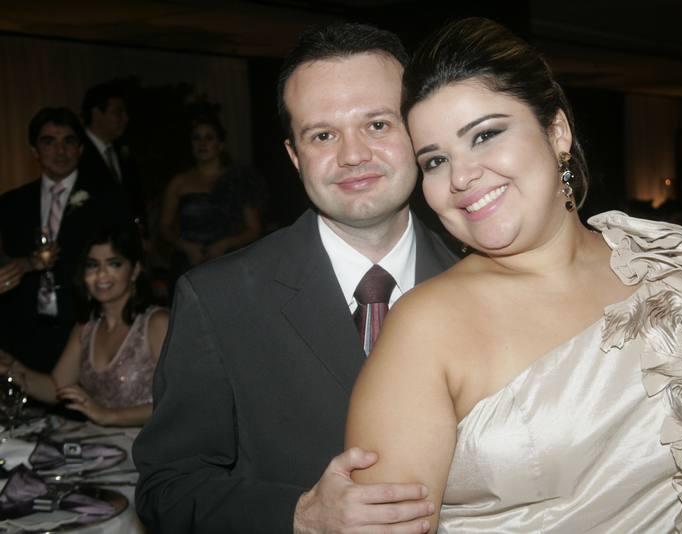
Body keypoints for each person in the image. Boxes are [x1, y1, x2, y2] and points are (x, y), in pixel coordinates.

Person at [346, 18, 682, 532]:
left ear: (557, 132)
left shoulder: (669, 271)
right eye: (434, 161)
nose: (461, 176)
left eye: (486, 135)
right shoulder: (424, 328)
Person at [133, 22, 456, 533]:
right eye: (323, 135)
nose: (353, 155)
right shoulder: (218, 299)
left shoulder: (484, 282)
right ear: (294, 156)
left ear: (417, 130)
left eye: (377, 124)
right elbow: (166, 489)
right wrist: (300, 516)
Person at [0, 107, 129, 372]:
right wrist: (24, 264)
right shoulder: (11, 203)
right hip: (22, 328)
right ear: (34, 150)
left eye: (68, 141)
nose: (60, 151)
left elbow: (124, 257)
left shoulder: (107, 198)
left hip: (85, 322)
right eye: (49, 142)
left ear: (80, 149)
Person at [0, 223, 168, 426]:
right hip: (101, 441)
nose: (101, 274)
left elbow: (181, 400)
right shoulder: (86, 328)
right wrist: (11, 368)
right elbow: (56, 389)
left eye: (114, 264)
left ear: (135, 271)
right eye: (93, 265)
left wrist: (108, 416)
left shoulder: (157, 323)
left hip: (150, 442)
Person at [159, 115, 263, 272]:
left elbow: (254, 229)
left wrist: (224, 244)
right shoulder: (178, 182)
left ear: (220, 145)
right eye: (196, 138)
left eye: (209, 138)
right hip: (188, 263)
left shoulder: (238, 179)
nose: (202, 143)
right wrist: (184, 246)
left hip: (229, 263)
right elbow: (164, 227)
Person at [79, 81, 146, 228]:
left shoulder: (123, 151)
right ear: (97, 114)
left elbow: (135, 199)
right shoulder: (77, 152)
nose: (125, 118)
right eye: (118, 112)